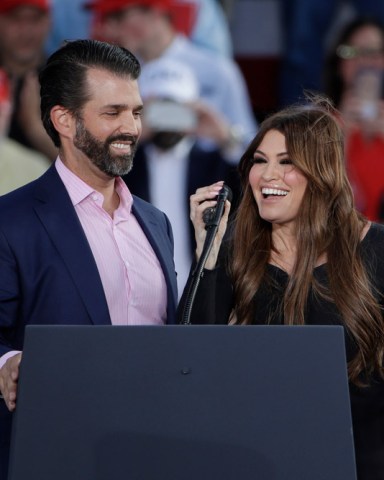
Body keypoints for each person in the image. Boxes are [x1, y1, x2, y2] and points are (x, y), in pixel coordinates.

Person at [178, 96, 384, 480]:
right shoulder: (233, 256)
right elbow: (189, 364)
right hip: (258, 463)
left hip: (362, 462)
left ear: (321, 171)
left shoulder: (377, 251)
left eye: (286, 162)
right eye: (260, 161)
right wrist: (207, 256)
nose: (267, 176)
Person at [0, 39, 178, 479]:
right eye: (112, 112)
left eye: (136, 112)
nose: (131, 127)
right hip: (57, 453)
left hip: (156, 449)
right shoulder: (11, 220)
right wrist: (7, 364)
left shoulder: (156, 223)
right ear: (64, 119)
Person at [123, 56, 240, 296]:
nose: (167, 121)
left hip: (199, 288)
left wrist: (225, 137)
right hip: (137, 290)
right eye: (159, 110)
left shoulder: (215, 162)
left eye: (174, 109)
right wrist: (132, 137)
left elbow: (248, 190)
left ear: (192, 110)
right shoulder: (126, 164)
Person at [84, 0, 257, 157]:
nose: (108, 28)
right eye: (104, 18)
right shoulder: (115, 77)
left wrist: (226, 136)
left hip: (206, 184)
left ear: (155, 11)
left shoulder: (216, 70)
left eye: (117, 16)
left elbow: (252, 150)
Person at [323, 17, 384, 223]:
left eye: (373, 53)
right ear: (339, 63)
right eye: (352, 52)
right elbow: (317, 194)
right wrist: (341, 132)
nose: (364, 62)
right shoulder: (317, 121)